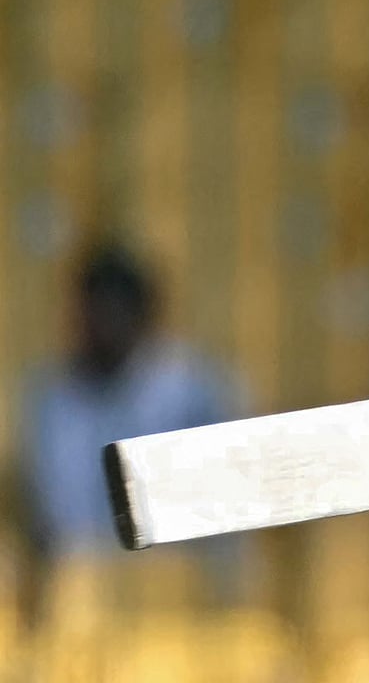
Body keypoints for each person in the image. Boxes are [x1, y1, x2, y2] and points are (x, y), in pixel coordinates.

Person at [16, 241, 251, 618]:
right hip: (81, 606)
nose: (102, 323)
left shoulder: (194, 388)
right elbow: (48, 520)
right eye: (93, 310)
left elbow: (228, 518)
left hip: (179, 602)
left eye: (115, 309)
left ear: (143, 314)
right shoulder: (50, 397)